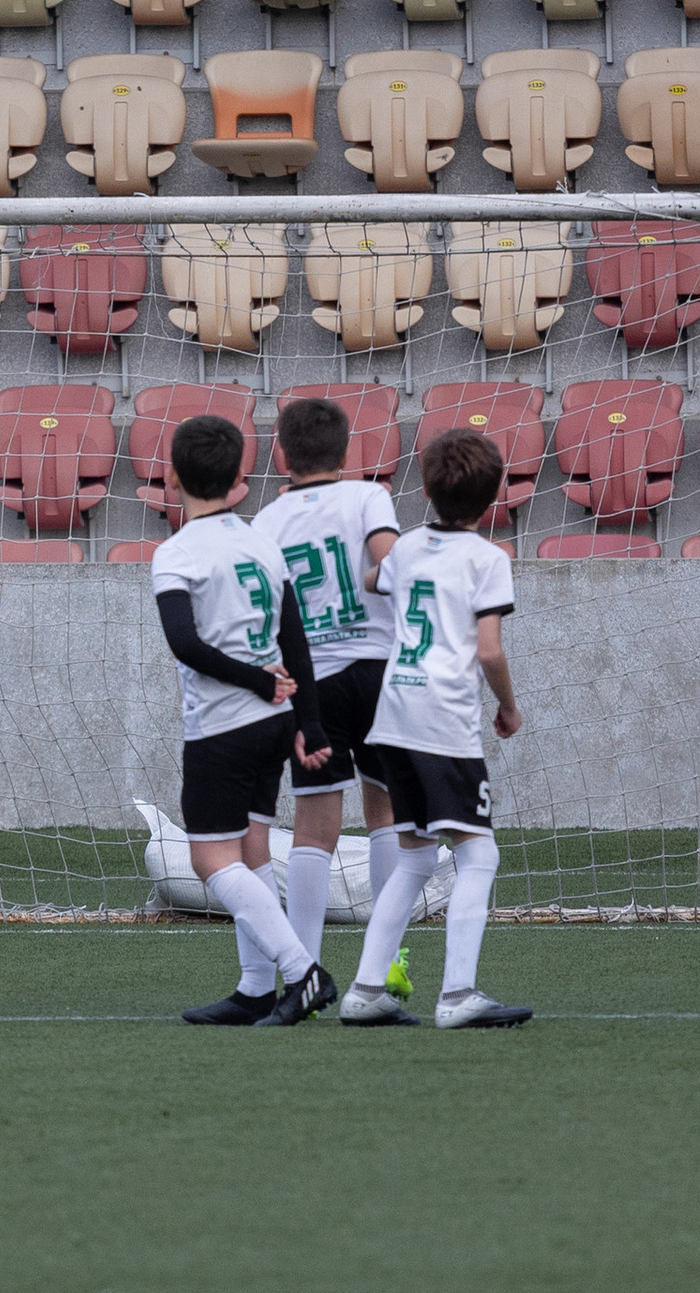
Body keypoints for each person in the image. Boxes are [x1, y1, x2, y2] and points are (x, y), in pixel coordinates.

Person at [340, 430, 531, 1033]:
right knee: (479, 852)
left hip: (393, 716)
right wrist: (509, 707)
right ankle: (458, 994)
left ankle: (366, 991)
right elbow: (490, 650)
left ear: (425, 490)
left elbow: (371, 579)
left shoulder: (409, 548)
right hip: (443, 721)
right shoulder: (488, 559)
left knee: (416, 858)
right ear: (494, 497)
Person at [150, 411, 332, 1028]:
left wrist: (256, 680)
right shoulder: (262, 542)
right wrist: (309, 721)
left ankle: (302, 971)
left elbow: (184, 643)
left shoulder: (176, 553)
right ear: (238, 481)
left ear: (173, 478)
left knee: (210, 860)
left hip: (222, 726)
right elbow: (295, 637)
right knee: (252, 850)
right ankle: (255, 988)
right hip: (274, 722)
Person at [256, 392, 408, 991]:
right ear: (346, 453)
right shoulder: (369, 496)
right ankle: (385, 969)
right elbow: (392, 568)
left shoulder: (267, 521)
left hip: (311, 680)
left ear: (280, 456)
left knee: (314, 825)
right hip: (376, 668)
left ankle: (305, 975)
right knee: (386, 812)